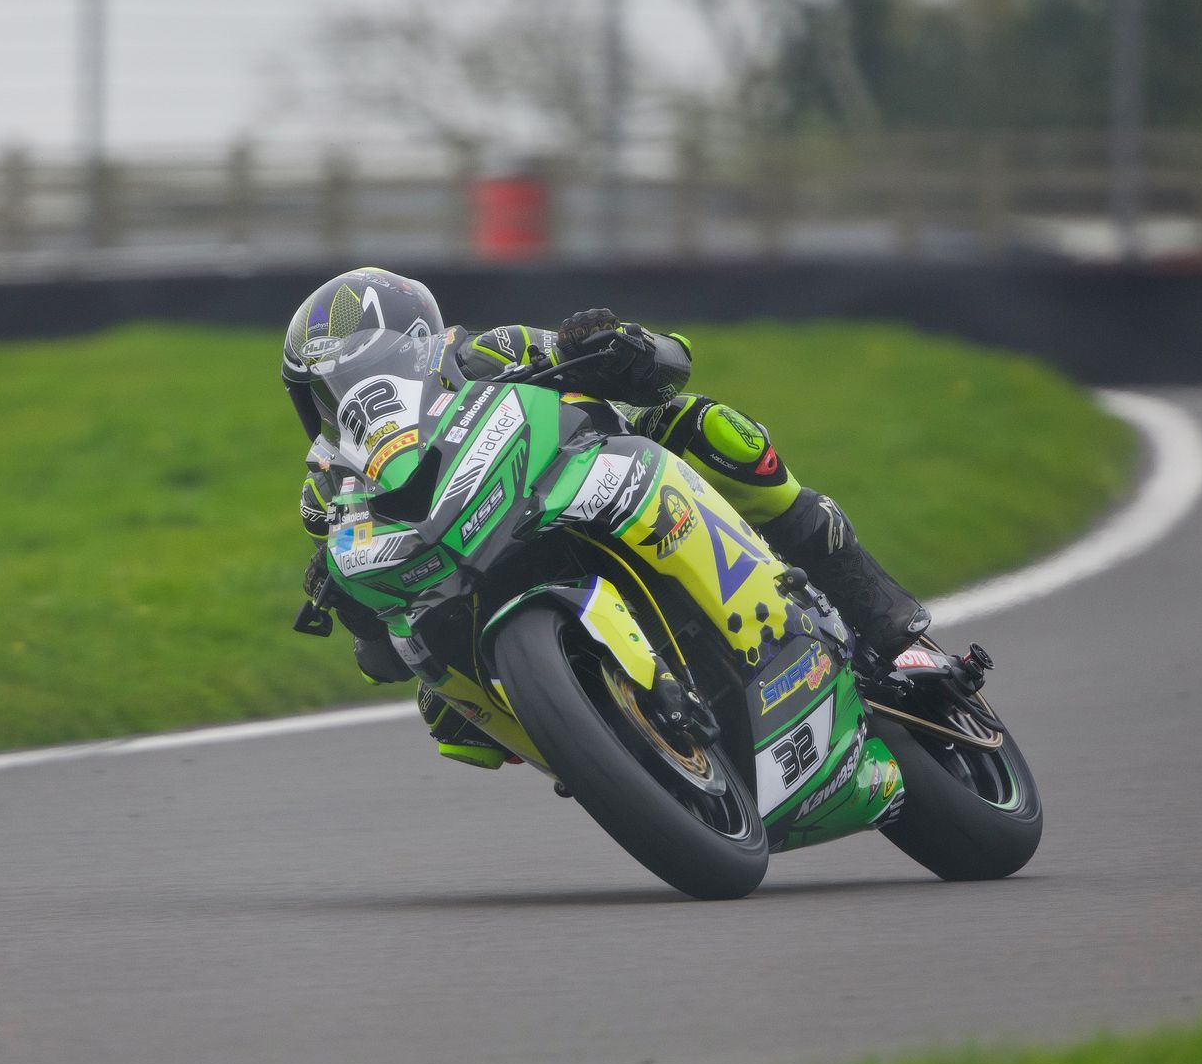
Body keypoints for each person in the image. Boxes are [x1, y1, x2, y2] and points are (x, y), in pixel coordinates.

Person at [283, 267, 930, 769]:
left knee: (706, 426)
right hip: (472, 567)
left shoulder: (492, 352)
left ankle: (870, 601)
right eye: (333, 384)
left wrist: (615, 344)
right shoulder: (333, 492)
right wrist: (349, 603)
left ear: (419, 338)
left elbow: (669, 366)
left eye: (375, 362)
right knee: (444, 712)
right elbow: (382, 659)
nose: (359, 393)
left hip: (587, 470)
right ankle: (607, 744)